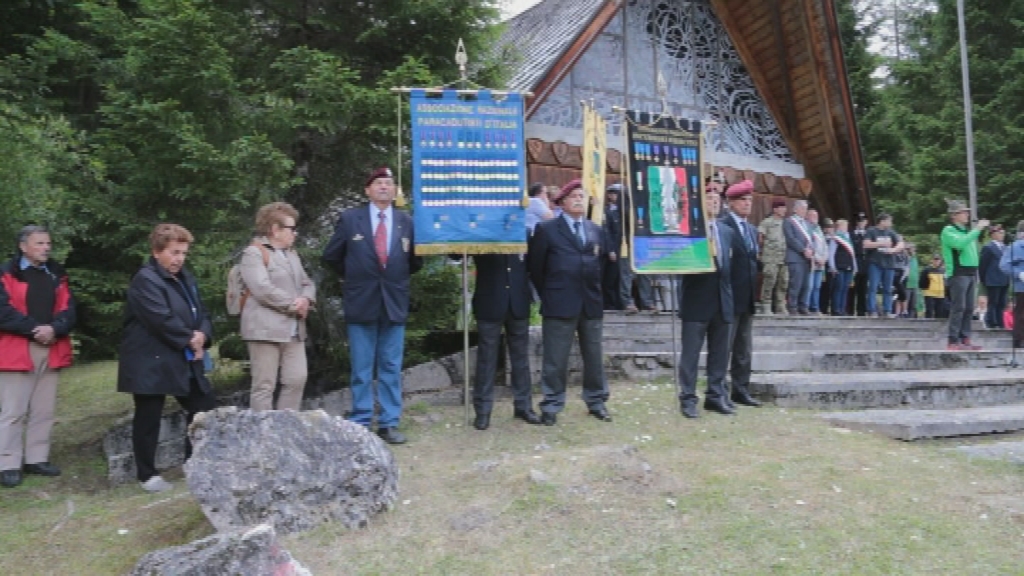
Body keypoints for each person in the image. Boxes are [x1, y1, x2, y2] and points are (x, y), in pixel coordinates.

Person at [322, 167, 423, 444]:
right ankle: (361, 419)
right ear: (367, 190)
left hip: (394, 301)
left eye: (389, 183)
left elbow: (415, 261)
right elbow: (331, 256)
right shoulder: (350, 219)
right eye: (378, 183)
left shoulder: (406, 221)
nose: (384, 187)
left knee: (391, 365)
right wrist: (356, 276)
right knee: (362, 367)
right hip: (361, 300)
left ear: (395, 190)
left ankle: (389, 422)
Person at [117, 224, 217, 493]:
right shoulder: (145, 280)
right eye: (174, 252)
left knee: (203, 407)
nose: (180, 258)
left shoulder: (186, 277)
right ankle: (147, 475)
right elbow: (160, 318)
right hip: (150, 360)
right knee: (148, 415)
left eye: (184, 253)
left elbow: (203, 313)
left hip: (182, 356)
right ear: (157, 251)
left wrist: (202, 336)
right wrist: (190, 338)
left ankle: (195, 463)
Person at [528, 179, 612, 425]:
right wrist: (551, 292)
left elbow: (603, 265)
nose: (579, 199)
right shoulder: (547, 229)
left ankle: (596, 401)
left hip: (591, 302)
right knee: (555, 358)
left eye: (582, 196)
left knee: (594, 356)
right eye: (574, 195)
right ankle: (552, 404)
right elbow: (536, 267)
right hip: (559, 301)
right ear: (562, 202)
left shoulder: (595, 229)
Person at [0, 226, 76, 489]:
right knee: (14, 410)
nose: (46, 248)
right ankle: (8, 462)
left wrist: (55, 329)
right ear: (23, 246)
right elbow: (3, 312)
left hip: (52, 345)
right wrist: (35, 330)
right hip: (17, 348)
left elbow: (69, 308)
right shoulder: (6, 273)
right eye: (39, 243)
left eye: (48, 243)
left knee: (44, 409)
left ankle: (36, 458)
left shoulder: (56, 273)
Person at [240, 202, 316, 411]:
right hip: (264, 330)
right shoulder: (253, 253)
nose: (295, 234)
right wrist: (293, 304)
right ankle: (264, 437)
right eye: (291, 229)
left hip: (293, 330)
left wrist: (306, 300)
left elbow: (306, 282)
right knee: (264, 385)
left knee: (297, 378)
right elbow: (261, 288)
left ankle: (285, 431)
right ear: (275, 229)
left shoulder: (292, 254)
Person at [677, 187, 735, 418]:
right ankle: (688, 398)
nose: (714, 202)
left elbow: (730, 268)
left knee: (720, 353)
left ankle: (715, 395)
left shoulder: (727, 232)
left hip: (722, 301)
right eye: (709, 198)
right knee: (691, 354)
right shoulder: (690, 231)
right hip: (697, 301)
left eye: (717, 199)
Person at [465, 252, 540, 430]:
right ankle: (483, 411)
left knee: (521, 360)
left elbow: (533, 266)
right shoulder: (484, 233)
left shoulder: (523, 232)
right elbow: (456, 255)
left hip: (518, 302)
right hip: (489, 302)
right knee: (486, 360)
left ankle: (524, 406)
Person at [719, 180, 761, 407]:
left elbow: (753, 263)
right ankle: (719, 390)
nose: (747, 204)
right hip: (729, 296)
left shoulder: (752, 230)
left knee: (744, 348)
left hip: (747, 297)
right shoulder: (724, 226)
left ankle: (741, 390)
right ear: (732, 203)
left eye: (749, 200)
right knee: (724, 347)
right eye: (742, 200)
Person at [940, 199, 988, 351]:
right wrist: (977, 230)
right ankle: (953, 340)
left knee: (968, 307)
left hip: (970, 272)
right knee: (958, 307)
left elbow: (973, 253)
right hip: (958, 273)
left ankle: (965, 337)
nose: (967, 214)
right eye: (963, 212)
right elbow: (960, 244)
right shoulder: (948, 231)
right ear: (954, 215)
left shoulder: (967, 231)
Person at [863, 213, 903, 318]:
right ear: (882, 221)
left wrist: (893, 249)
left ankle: (887, 310)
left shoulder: (891, 232)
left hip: (889, 264)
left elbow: (901, 244)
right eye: (889, 221)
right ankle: (872, 310)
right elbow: (866, 244)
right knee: (873, 287)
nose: (891, 223)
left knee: (888, 288)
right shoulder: (872, 231)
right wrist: (881, 244)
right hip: (875, 263)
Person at [757, 199, 788, 315]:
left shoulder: (787, 223)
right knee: (770, 280)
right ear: (775, 209)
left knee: (783, 281)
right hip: (770, 257)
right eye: (781, 207)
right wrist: (762, 251)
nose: (784, 210)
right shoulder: (767, 222)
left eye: (784, 208)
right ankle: (766, 304)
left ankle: (780, 305)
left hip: (783, 257)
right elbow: (760, 238)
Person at [783, 200, 813, 315]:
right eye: (802, 208)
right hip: (795, 257)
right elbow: (791, 239)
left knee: (806, 284)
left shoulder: (806, 223)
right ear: (795, 209)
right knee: (795, 284)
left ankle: (803, 306)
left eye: (805, 208)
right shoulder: (789, 221)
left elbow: (811, 239)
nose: (804, 211)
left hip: (807, 258)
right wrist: (803, 249)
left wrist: (811, 250)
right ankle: (792, 306)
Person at [979, 224, 1009, 329]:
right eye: (1000, 233)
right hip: (993, 279)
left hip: (1004, 279)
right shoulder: (988, 247)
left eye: (1003, 233)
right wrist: (983, 279)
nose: (1002, 235)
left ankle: (1000, 322)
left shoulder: (1005, 247)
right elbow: (983, 265)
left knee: (1002, 302)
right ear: (993, 234)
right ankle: (992, 321)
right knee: (994, 301)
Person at [999, 221, 1024, 348]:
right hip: (1021, 286)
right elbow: (1003, 265)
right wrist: (1018, 274)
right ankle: (1018, 340)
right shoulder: (1014, 247)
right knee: (1020, 313)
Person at [828, 219, 857, 316]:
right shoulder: (836, 238)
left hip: (848, 266)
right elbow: (831, 253)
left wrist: (854, 267)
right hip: (839, 266)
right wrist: (832, 267)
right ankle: (836, 309)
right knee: (838, 287)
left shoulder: (848, 238)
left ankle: (842, 308)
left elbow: (852, 254)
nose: (846, 228)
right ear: (839, 227)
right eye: (844, 226)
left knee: (845, 288)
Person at [602, 184, 623, 310]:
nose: (614, 196)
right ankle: (611, 304)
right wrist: (610, 250)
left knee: (621, 278)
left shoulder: (624, 210)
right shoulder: (606, 211)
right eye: (612, 193)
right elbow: (607, 232)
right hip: (613, 248)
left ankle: (619, 303)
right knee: (611, 278)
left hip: (624, 248)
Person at [804, 210, 828, 314]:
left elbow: (824, 246)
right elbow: (809, 245)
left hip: (821, 263)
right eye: (812, 215)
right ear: (807, 216)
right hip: (812, 262)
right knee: (809, 286)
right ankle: (806, 306)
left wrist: (824, 258)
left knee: (817, 287)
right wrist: (817, 258)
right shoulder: (806, 228)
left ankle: (815, 307)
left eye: (816, 215)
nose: (815, 217)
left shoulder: (818, 229)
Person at [850, 213, 870, 316]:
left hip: (865, 262)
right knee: (852, 287)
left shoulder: (868, 234)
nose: (861, 223)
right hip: (855, 261)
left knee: (863, 288)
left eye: (863, 221)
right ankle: (849, 310)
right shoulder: (852, 234)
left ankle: (861, 310)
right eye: (859, 221)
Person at [920, 254, 947, 319]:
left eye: (938, 260)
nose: (936, 261)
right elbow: (922, 281)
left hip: (940, 294)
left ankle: (938, 326)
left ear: (940, 261)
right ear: (932, 260)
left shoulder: (943, 270)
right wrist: (924, 289)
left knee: (940, 311)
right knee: (929, 310)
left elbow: (945, 281)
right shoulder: (927, 270)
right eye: (935, 260)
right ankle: (928, 325)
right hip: (929, 293)